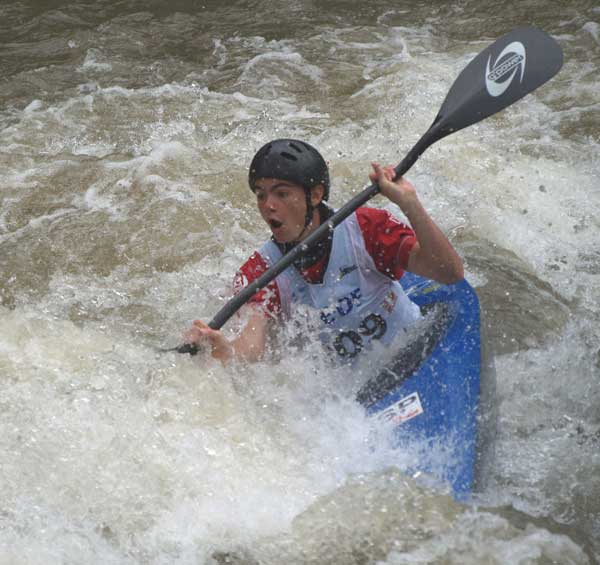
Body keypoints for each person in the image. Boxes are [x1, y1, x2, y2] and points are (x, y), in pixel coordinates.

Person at [183, 138, 463, 364]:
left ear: (315, 196)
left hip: (415, 348)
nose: (268, 205)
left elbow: (448, 272)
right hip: (355, 393)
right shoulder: (260, 272)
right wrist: (224, 351)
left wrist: (409, 203)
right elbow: (252, 346)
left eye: (281, 193)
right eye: (261, 194)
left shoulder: (365, 228)